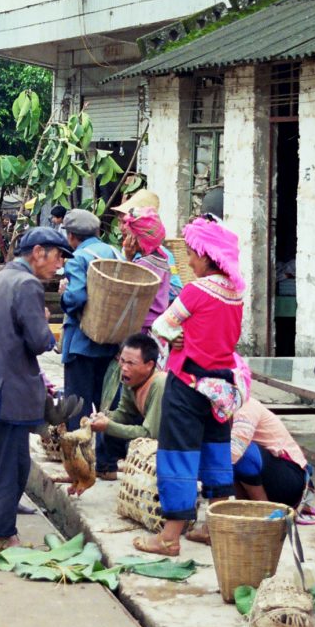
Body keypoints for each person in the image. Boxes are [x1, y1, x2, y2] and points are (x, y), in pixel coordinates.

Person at [136, 216, 245, 557]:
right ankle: (214, 526)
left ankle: (169, 537)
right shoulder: (236, 292)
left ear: (206, 254)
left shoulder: (196, 291)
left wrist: (175, 337)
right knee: (215, 451)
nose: (191, 261)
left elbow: (162, 326)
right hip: (221, 388)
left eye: (193, 254)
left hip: (188, 383)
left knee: (178, 455)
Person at [0, 227, 71, 554]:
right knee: (12, 464)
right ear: (38, 252)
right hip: (7, 393)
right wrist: (47, 321)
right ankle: (0, 535)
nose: (59, 264)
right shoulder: (26, 285)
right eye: (57, 255)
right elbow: (39, 341)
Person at [60, 209, 120, 427]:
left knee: (77, 410)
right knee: (108, 406)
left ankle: (80, 456)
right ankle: (109, 458)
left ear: (72, 237)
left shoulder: (78, 258)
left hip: (81, 344)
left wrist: (63, 297)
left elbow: (76, 296)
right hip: (111, 342)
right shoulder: (116, 253)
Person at [89, 332, 166, 478]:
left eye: (131, 363)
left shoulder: (159, 384)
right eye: (122, 361)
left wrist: (109, 426)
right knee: (107, 433)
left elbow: (150, 434)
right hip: (153, 433)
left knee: (129, 441)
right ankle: (109, 468)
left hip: (172, 444)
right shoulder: (130, 378)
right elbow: (125, 413)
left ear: (149, 365)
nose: (124, 367)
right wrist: (105, 417)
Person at [226, 396, 310, 514]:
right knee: (224, 455)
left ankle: (263, 513)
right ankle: (245, 510)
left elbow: (234, 452)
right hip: (269, 475)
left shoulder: (246, 407)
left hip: (289, 480)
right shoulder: (223, 410)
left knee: (241, 455)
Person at [119, 207, 172, 331]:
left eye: (130, 235)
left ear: (137, 239)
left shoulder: (144, 265)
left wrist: (128, 258)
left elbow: (126, 290)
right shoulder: (162, 261)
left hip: (143, 326)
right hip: (157, 325)